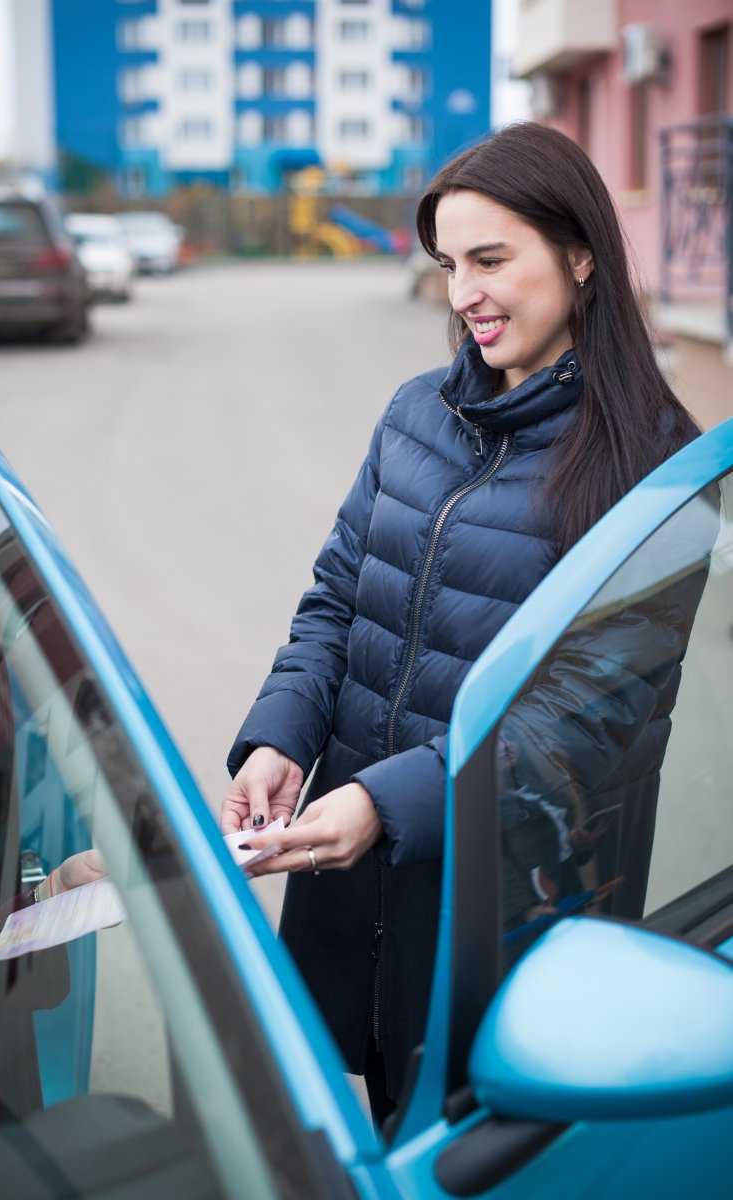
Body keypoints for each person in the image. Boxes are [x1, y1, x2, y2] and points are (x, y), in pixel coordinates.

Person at [221, 122, 696, 1126]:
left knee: (466, 1135)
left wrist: (388, 805)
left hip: (507, 902)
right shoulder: (416, 414)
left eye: (491, 259)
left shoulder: (657, 468)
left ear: (578, 255)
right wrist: (281, 736)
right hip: (353, 868)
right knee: (372, 1103)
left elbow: (587, 724)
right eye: (448, 264)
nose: (464, 292)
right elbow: (337, 600)